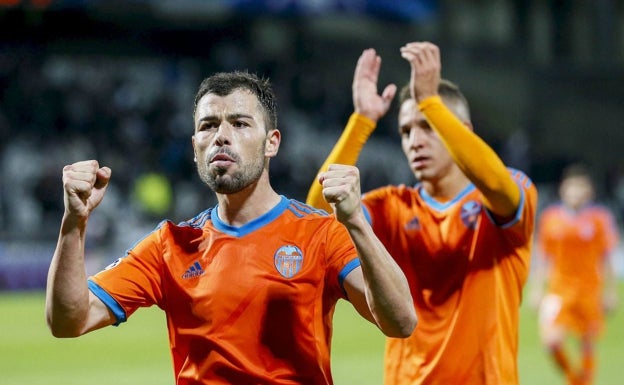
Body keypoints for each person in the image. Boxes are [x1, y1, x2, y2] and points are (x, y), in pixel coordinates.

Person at [45, 71, 417, 385]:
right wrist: (73, 223)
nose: (221, 136)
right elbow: (68, 321)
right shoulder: (170, 245)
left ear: (272, 143)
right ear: (195, 147)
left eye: (239, 123)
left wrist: (356, 224)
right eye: (208, 126)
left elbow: (400, 321)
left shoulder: (320, 233)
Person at [306, 42, 538, 384]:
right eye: (405, 131)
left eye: (427, 126)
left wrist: (431, 101)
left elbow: (500, 187)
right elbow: (317, 215)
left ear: (461, 130)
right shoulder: (393, 207)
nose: (414, 140)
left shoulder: (506, 193)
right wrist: (362, 121)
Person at [530, 163, 619, 385]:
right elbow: (543, 256)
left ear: (589, 191)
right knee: (551, 341)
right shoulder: (550, 218)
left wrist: (610, 291)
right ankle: (574, 379)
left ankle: (585, 381)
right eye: (572, 187)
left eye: (581, 188)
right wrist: (537, 288)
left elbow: (607, 257)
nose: (576, 192)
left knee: (587, 343)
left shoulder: (600, 219)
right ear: (563, 189)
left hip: (589, 289)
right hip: (559, 290)